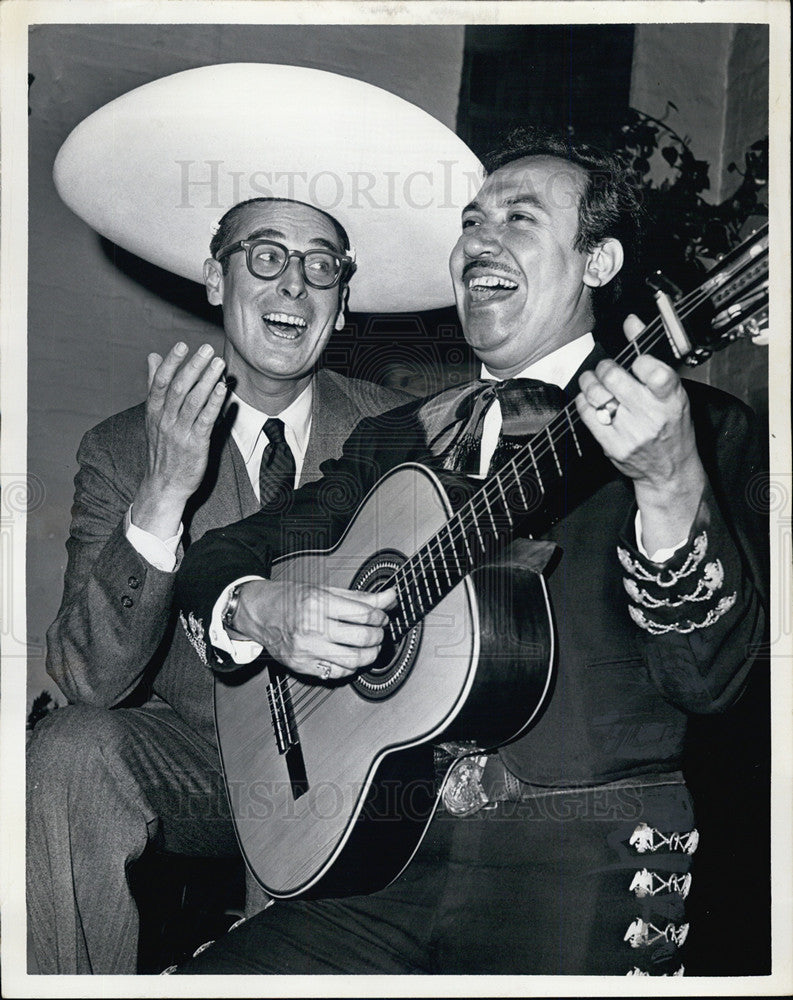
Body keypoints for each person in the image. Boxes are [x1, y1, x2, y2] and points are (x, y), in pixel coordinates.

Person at [173, 127, 767, 976]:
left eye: (518, 218)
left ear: (597, 263)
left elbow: (710, 682)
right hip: (369, 863)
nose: (477, 242)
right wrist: (260, 609)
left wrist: (670, 487)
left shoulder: (702, 431)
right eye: (469, 221)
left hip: (572, 866)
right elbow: (219, 556)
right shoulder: (396, 438)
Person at [26, 196, 410, 974]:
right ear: (214, 277)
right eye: (264, 257)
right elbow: (87, 679)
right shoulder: (122, 447)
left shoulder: (402, 430)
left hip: (361, 770)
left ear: (342, 303)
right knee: (69, 749)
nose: (293, 286)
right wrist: (162, 494)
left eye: (320, 266)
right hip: (199, 765)